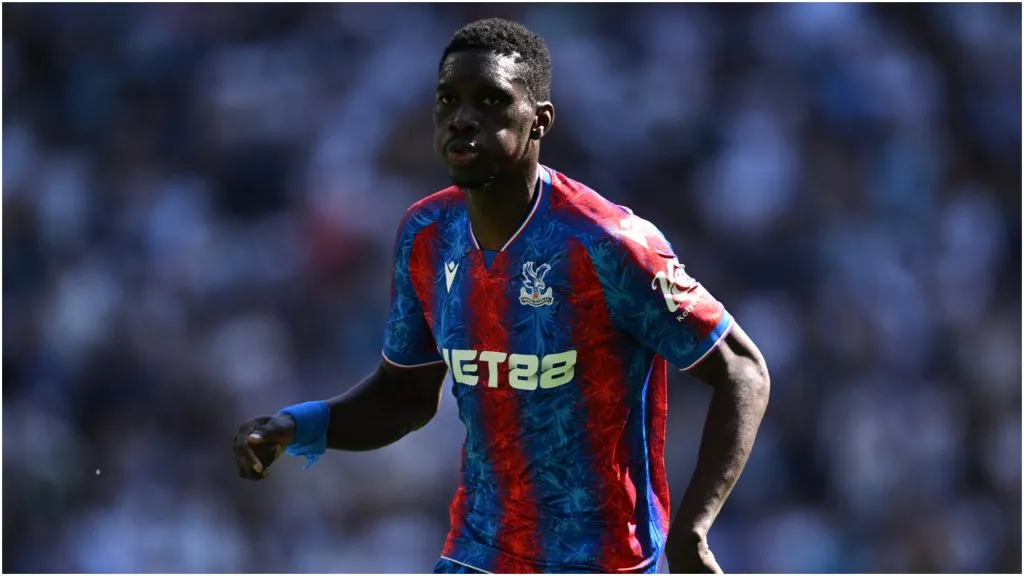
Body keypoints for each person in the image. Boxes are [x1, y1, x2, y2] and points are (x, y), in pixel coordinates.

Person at [233, 17, 770, 575]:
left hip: (604, 562)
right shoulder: (427, 234)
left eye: (490, 101)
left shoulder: (607, 244)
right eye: (448, 100)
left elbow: (743, 371)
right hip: (476, 557)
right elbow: (405, 397)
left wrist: (693, 531)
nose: (462, 119)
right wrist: (299, 425)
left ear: (540, 122)